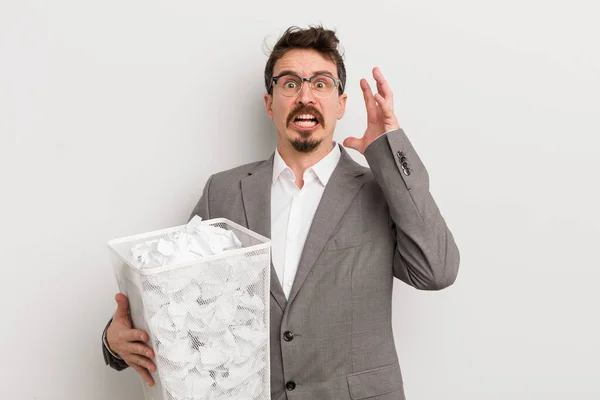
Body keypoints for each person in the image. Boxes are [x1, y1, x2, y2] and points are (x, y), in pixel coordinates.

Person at [102, 25, 460, 400]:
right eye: (290, 84)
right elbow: (179, 305)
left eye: (321, 83)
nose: (305, 96)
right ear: (270, 103)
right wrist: (115, 341)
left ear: (341, 103)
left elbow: (436, 270)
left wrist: (388, 148)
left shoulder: (382, 190)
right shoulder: (222, 192)